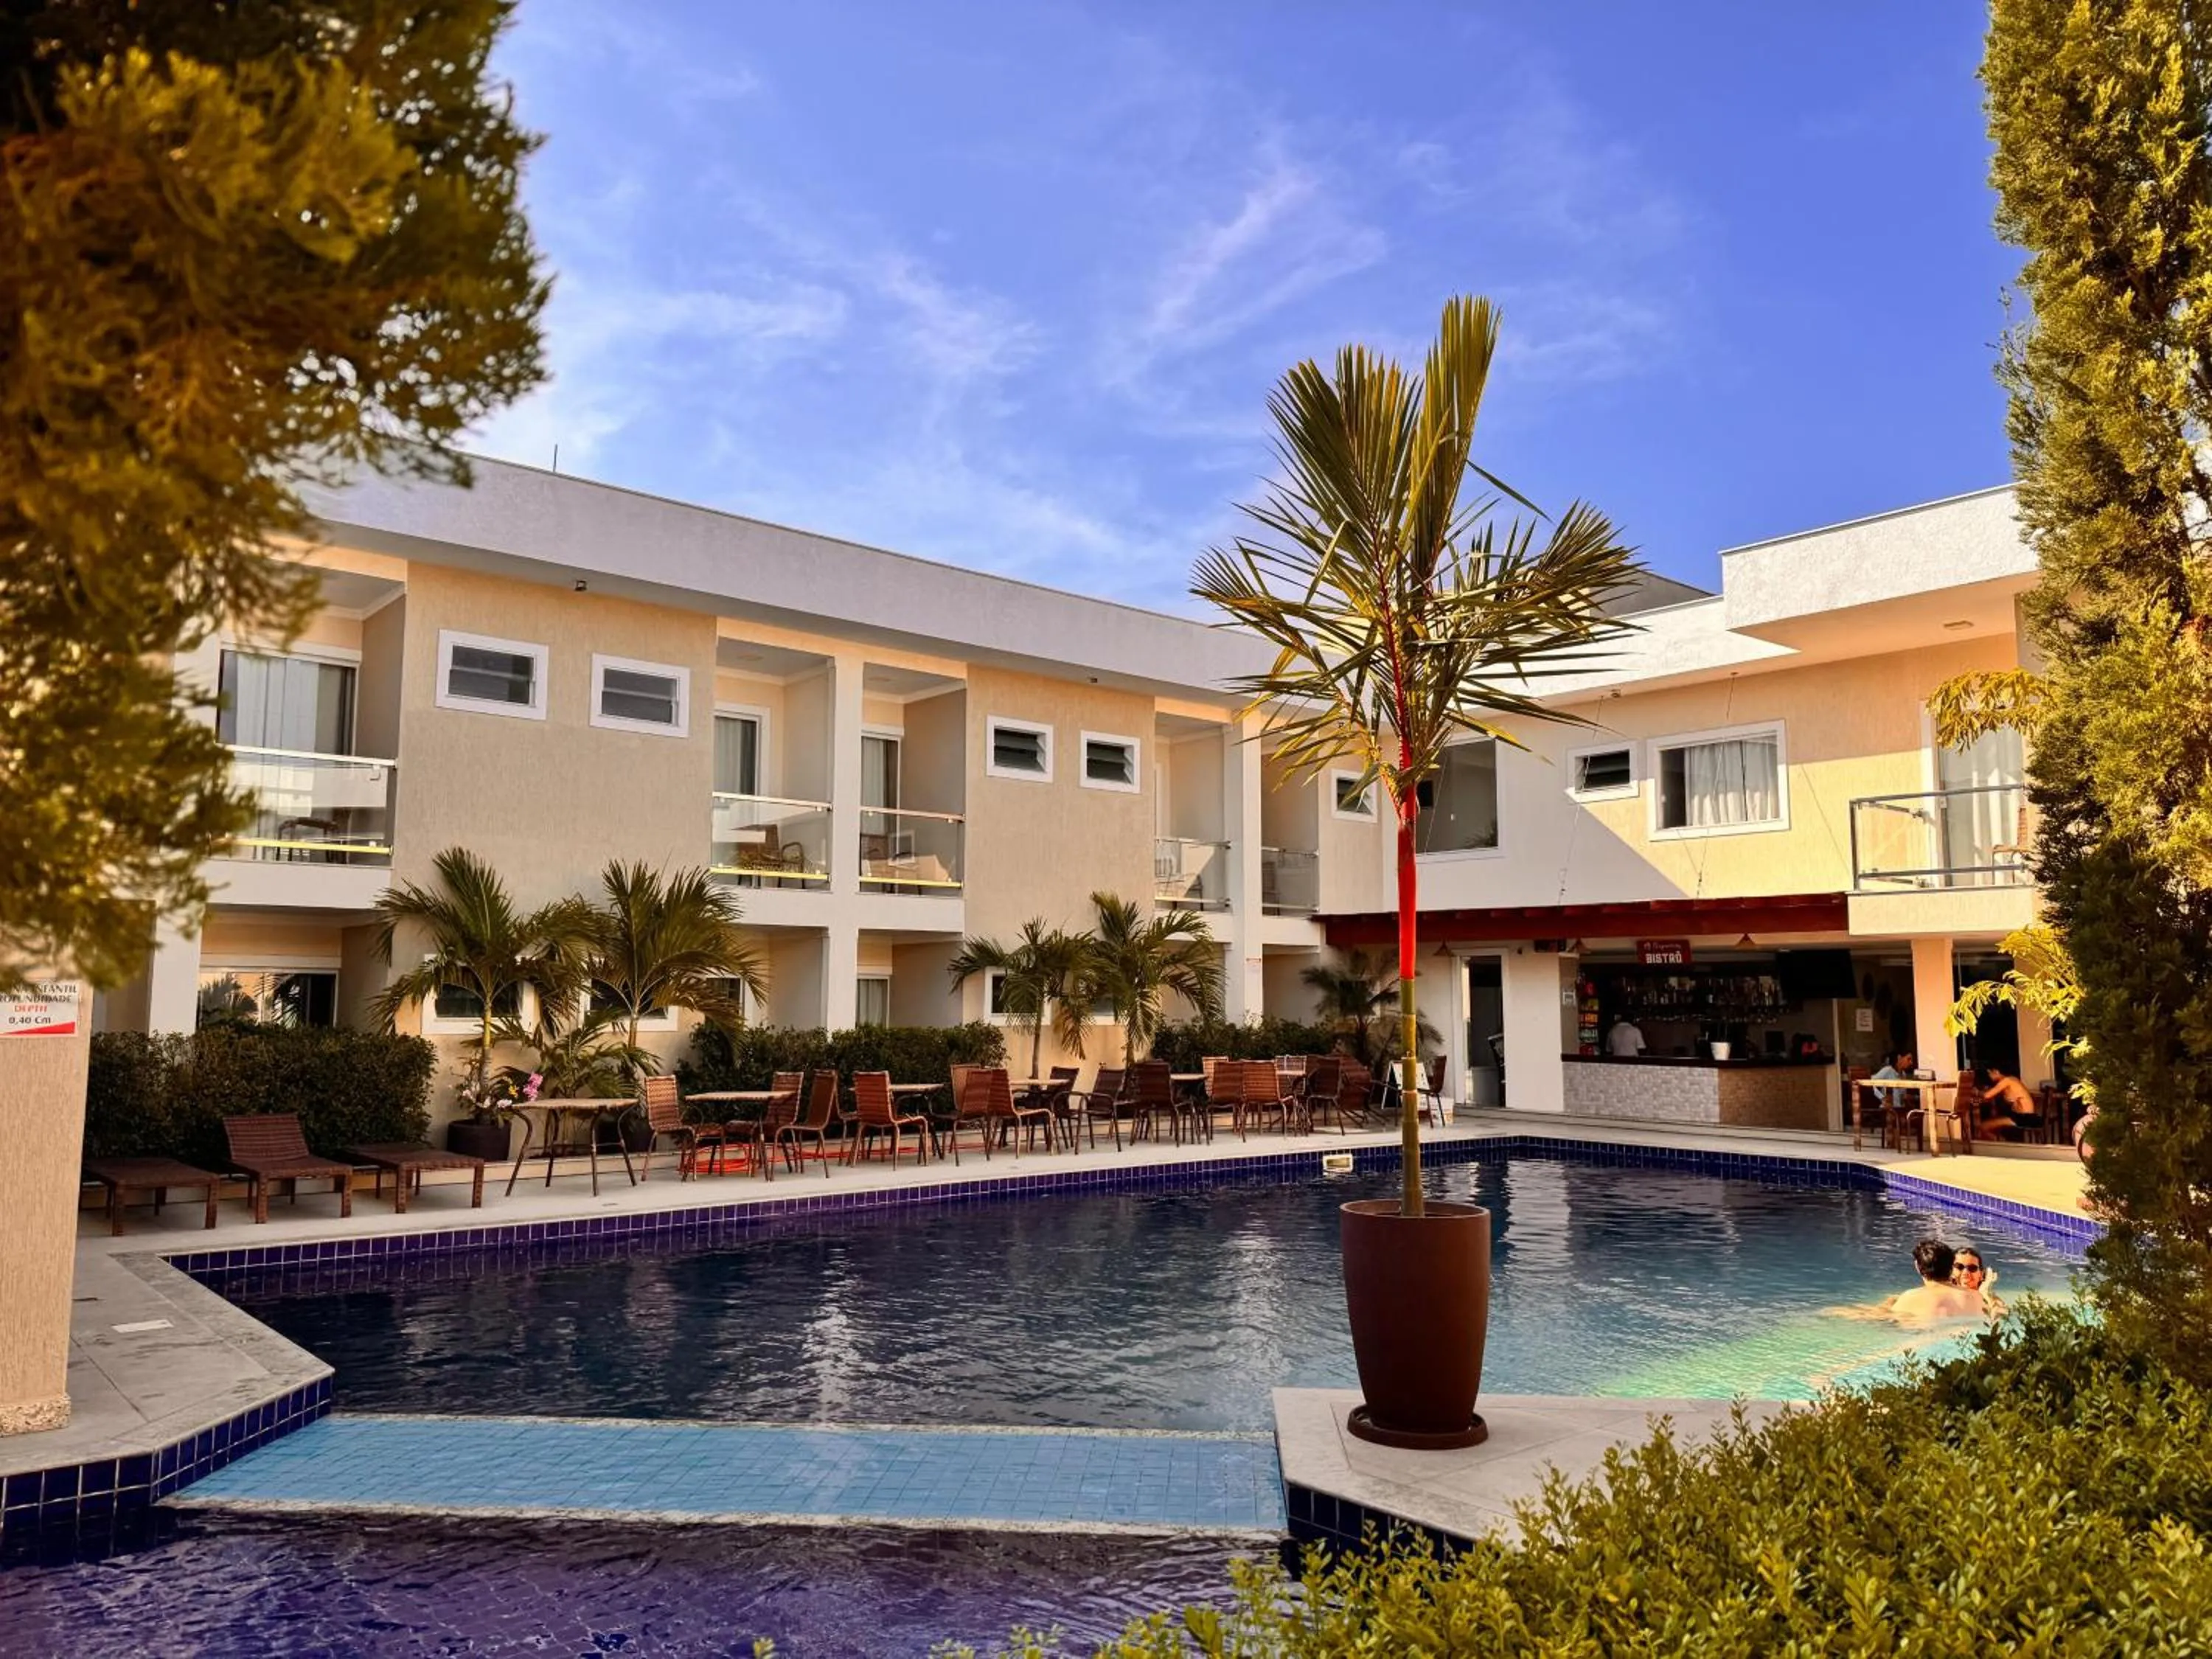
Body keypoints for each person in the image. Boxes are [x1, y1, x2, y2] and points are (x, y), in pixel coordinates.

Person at [1827, 1238, 1986, 1326]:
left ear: (1917, 1267)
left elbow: (1878, 1318)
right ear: (1951, 1267)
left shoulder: (1911, 1297)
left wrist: (1837, 1312)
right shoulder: (1977, 1298)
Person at [1951, 1248, 2006, 1317]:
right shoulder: (1945, 1298)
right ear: (1951, 1272)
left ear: (1981, 1275)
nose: (1965, 1273)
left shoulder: (1993, 1301)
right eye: (1959, 1267)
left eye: (1972, 1268)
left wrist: (1986, 1294)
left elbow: (2003, 1319)